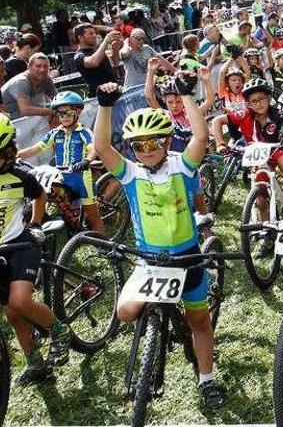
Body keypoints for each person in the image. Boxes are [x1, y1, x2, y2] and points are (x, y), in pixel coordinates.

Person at [92, 75, 225, 407]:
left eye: (153, 143)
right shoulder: (130, 173)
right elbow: (103, 147)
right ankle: (160, 327)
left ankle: (206, 379)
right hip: (149, 260)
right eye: (139, 145)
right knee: (124, 313)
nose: (146, 151)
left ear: (167, 142)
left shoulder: (183, 166)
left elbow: (200, 134)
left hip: (187, 257)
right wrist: (104, 107)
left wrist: (186, 93)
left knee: (199, 321)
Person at [0, 113, 72, 386]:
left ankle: (59, 330)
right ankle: (36, 364)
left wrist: (35, 223)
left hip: (20, 243)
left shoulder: (20, 175)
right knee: (13, 314)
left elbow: (39, 195)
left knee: (20, 301)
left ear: (9, 151)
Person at [211, 78, 283, 253]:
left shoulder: (275, 113)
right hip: (257, 157)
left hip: (275, 150)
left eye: (262, 99)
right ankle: (268, 235)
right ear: (247, 103)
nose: (259, 104)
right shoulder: (243, 114)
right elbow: (217, 121)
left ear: (269, 98)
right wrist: (220, 144)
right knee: (261, 200)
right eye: (253, 101)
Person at [18, 91, 104, 233]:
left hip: (81, 177)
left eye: (68, 113)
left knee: (93, 216)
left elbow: (92, 148)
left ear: (78, 112)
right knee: (47, 193)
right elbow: (36, 148)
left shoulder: (84, 132)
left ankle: (104, 245)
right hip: (62, 176)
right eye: (60, 114)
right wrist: (14, 156)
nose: (63, 117)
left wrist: (86, 160)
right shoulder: (55, 133)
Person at [1, 53, 57, 120]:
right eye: (38, 66)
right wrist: (54, 111)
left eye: (46, 66)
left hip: (28, 119)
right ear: (29, 67)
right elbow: (25, 110)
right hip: (12, 121)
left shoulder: (46, 79)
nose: (42, 69)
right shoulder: (21, 82)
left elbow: (58, 100)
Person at [73, 24, 121, 98]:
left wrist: (116, 48)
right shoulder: (79, 55)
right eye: (90, 33)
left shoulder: (98, 50)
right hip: (99, 97)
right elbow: (93, 63)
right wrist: (106, 41)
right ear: (80, 37)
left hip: (114, 91)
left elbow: (115, 63)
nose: (94, 35)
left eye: (95, 33)